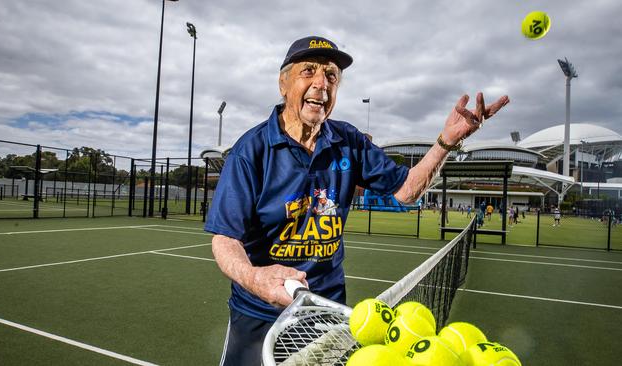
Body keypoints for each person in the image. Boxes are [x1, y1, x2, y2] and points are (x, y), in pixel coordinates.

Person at [205, 35, 509, 365]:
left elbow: (406, 191)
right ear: (284, 83)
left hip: (325, 315)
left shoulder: (348, 140)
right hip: (257, 314)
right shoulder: (251, 151)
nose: (321, 84)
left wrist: (446, 142)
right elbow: (225, 239)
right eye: (309, 72)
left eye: (331, 75)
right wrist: (256, 279)